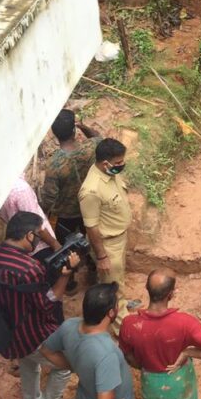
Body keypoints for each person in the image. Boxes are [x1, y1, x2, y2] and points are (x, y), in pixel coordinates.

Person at [0, 212, 77, 399]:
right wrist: (65, 275)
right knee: (65, 366)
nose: (39, 239)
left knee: (30, 367)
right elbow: (48, 303)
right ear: (29, 235)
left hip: (7, 333)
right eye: (38, 235)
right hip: (33, 334)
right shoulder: (29, 268)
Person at [40, 109, 102, 294]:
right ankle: (93, 271)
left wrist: (43, 211)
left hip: (66, 213)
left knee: (65, 246)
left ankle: (70, 282)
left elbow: (50, 196)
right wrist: (82, 126)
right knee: (91, 237)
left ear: (53, 133)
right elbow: (99, 137)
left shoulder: (54, 164)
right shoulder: (91, 147)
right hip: (89, 205)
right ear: (74, 130)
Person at [78, 138, 133, 332]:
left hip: (119, 239)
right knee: (112, 289)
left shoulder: (109, 173)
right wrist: (101, 256)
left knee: (117, 279)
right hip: (108, 246)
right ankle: (123, 329)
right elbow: (91, 227)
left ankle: (123, 305)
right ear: (105, 163)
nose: (121, 166)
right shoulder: (91, 191)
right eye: (118, 163)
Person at [0, 176, 59, 254]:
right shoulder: (21, 189)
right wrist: (55, 244)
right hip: (40, 246)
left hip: (22, 247)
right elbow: (38, 226)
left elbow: (4, 217)